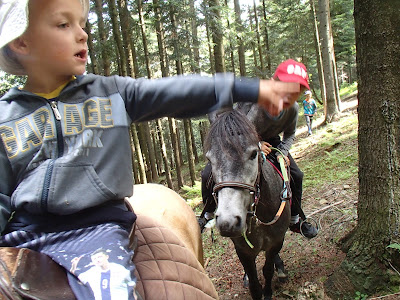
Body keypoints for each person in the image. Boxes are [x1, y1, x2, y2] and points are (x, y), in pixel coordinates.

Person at [0, 0, 301, 299]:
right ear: (22, 44)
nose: (82, 34)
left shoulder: (112, 93)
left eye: (81, 23)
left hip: (95, 230)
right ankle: (209, 209)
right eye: (63, 24)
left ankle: (296, 214)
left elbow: (179, 91)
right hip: (26, 232)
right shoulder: (5, 117)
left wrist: (252, 88)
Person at [199, 59, 318, 239]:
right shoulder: (253, 98)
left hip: (274, 144)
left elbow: (290, 134)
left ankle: (295, 219)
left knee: (297, 175)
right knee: (208, 174)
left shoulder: (292, 109)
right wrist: (256, 144)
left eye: (295, 90)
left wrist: (282, 153)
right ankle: (207, 214)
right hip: (242, 140)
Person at [71, 248, 135, 300]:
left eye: (99, 257)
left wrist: (134, 295)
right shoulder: (91, 272)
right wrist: (74, 266)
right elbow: (77, 279)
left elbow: (130, 283)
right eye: (94, 259)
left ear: (107, 256)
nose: (97, 260)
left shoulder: (119, 269)